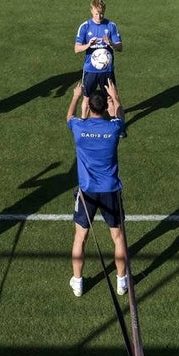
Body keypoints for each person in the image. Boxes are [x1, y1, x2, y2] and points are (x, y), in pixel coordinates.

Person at [67, 78, 129, 297]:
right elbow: (120, 117)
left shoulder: (78, 127)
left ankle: (78, 281)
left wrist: (76, 96)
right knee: (118, 237)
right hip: (110, 190)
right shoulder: (114, 129)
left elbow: (69, 118)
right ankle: (122, 281)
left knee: (80, 238)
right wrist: (116, 98)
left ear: (89, 106)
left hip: (87, 192)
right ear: (105, 106)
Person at [70, 0, 124, 123]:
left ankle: (116, 124)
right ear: (91, 11)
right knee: (86, 98)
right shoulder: (85, 27)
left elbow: (120, 47)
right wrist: (88, 45)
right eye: (96, 13)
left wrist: (111, 43)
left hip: (107, 70)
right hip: (90, 70)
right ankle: (84, 122)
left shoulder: (111, 26)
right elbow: (76, 49)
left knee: (111, 98)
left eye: (101, 13)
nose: (99, 16)